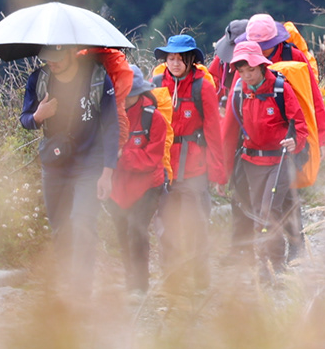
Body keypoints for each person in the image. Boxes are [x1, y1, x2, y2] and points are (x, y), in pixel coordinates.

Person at [20, 45, 120, 288]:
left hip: (90, 163)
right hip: (55, 165)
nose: (52, 63)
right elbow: (25, 119)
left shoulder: (97, 78)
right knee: (60, 227)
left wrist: (108, 172)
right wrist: (38, 116)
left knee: (82, 222)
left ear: (72, 52)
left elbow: (111, 126)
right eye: (48, 59)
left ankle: (81, 290)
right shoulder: (39, 79)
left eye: (57, 58)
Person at [217, 41, 304, 275]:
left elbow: (299, 125)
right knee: (258, 213)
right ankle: (267, 263)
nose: (247, 75)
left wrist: (295, 141)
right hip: (251, 162)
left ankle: (273, 264)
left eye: (251, 70)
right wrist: (223, 174)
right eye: (242, 71)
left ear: (262, 66)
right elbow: (228, 135)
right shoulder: (238, 91)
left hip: (280, 161)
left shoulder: (280, 89)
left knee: (269, 213)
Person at [156, 35, 223, 294]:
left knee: (196, 225)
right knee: (166, 226)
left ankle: (200, 281)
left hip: (195, 167)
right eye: (170, 58)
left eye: (179, 59)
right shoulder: (156, 84)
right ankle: (171, 281)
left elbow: (213, 131)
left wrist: (217, 171)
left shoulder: (202, 87)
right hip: (165, 166)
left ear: (191, 60)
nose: (174, 63)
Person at [102, 76, 171, 297]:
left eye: (128, 92)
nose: (123, 97)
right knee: (122, 233)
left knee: (137, 231)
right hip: (117, 188)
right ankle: (130, 280)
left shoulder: (154, 118)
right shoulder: (107, 118)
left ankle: (140, 286)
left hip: (147, 186)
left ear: (140, 93)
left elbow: (153, 158)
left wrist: (123, 155)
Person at [245, 13, 325, 139]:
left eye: (264, 45)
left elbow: (313, 96)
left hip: (295, 132)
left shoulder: (294, 57)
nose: (260, 49)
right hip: (257, 138)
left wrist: (323, 136)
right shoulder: (244, 62)